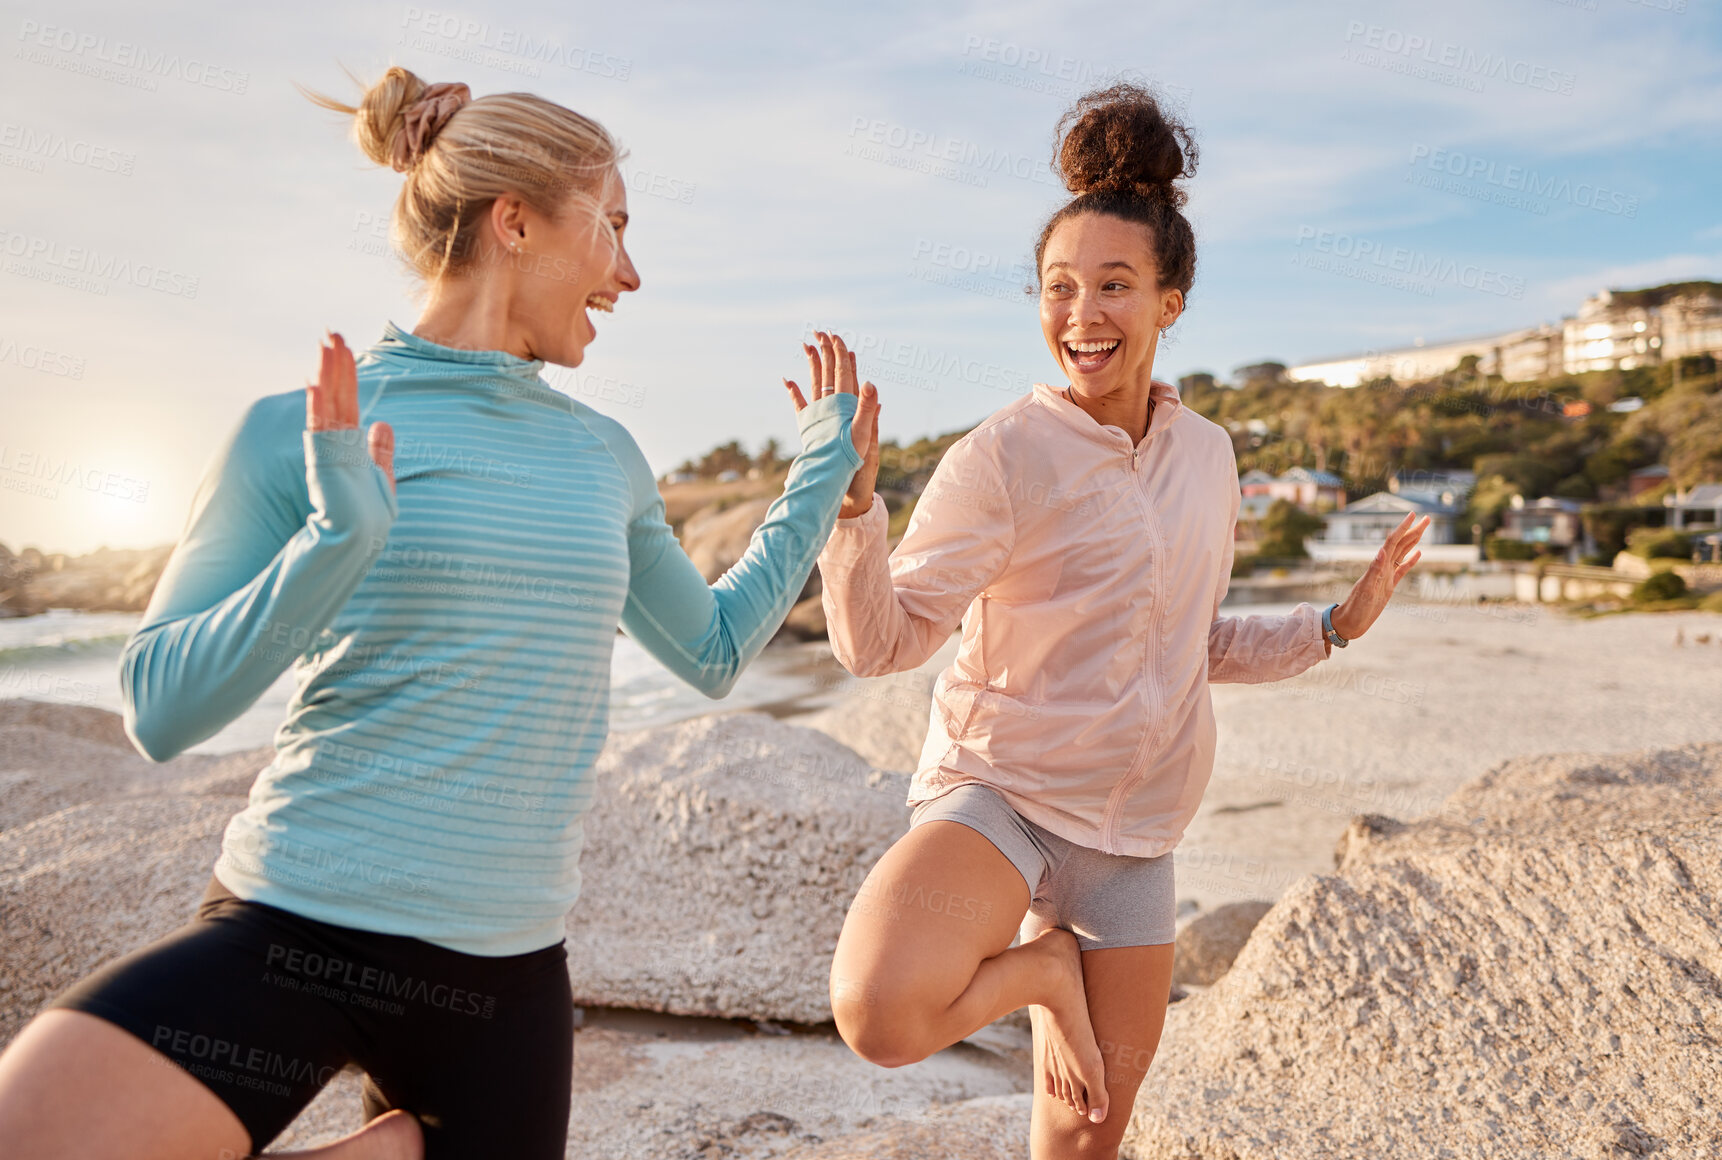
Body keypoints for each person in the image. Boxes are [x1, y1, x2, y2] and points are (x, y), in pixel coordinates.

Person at [0, 67, 879, 1160]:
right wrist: (332, 550)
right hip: (292, 920)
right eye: (611, 227)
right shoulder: (299, 430)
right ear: (515, 222)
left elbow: (705, 650)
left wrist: (815, 480)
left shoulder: (603, 456)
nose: (632, 274)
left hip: (502, 980)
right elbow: (158, 711)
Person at [816, 83, 1428, 1160]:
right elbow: (883, 642)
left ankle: (1059, 972)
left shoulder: (1209, 456)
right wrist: (854, 513)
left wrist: (1335, 622)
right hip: (1000, 793)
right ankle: (1038, 972)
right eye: (1059, 289)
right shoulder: (1001, 456)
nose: (1082, 315)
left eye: (1113, 285)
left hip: (1137, 830)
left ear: (1170, 299)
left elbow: (1188, 646)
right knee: (881, 1010)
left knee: (1089, 1136)